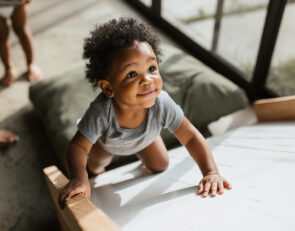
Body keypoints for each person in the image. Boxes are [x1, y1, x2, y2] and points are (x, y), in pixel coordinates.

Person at [58, 17, 231, 208]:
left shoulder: (162, 103)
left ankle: (140, 154)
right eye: (132, 74)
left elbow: (190, 137)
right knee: (95, 169)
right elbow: (78, 147)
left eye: (152, 68)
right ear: (108, 88)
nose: (147, 80)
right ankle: (94, 170)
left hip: (146, 140)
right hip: (108, 144)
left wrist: (210, 172)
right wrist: (78, 178)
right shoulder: (101, 110)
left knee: (161, 166)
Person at [0, 0, 41, 86]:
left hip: (17, 3)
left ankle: (31, 64)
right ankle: (8, 69)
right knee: (1, 37)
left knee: (22, 31)